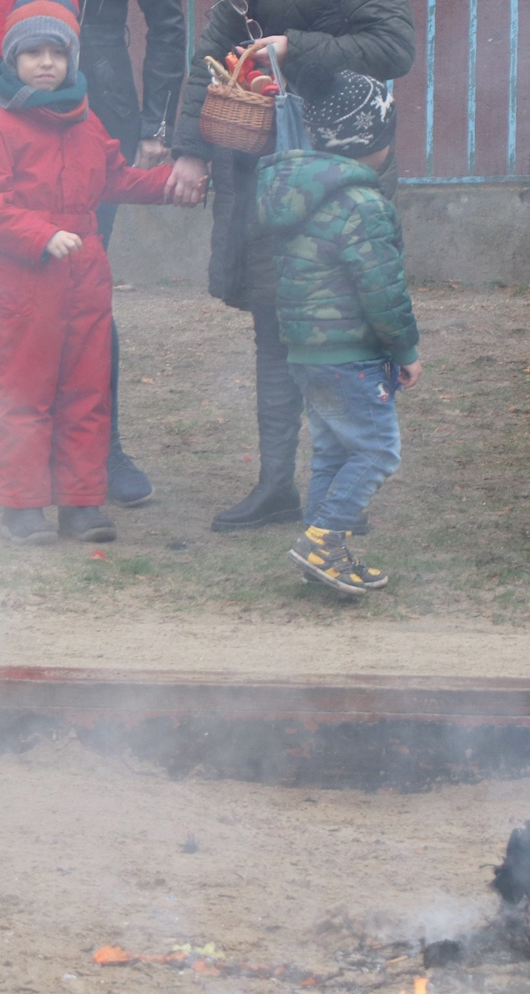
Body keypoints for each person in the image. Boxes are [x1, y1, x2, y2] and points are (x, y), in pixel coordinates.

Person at [166, 0, 415, 532]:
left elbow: (394, 48)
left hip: (351, 154)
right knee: (274, 325)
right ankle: (276, 485)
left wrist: (293, 47)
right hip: (265, 164)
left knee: (348, 329)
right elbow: (210, 57)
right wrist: (190, 148)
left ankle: (345, 496)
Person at [0, 0, 194, 545]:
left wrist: (168, 185)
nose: (46, 63)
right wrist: (40, 235)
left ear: (73, 59)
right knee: (25, 392)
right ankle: (22, 506)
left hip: (86, 278)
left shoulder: (88, 123)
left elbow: (116, 178)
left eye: (57, 53)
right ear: (12, 61)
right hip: (26, 281)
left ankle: (82, 503)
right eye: (33, 53)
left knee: (86, 391)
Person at [256, 68, 420, 594]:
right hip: (351, 354)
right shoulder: (363, 204)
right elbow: (383, 289)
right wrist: (405, 348)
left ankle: (321, 552)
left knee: (332, 451)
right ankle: (323, 541)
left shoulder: (298, 194)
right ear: (373, 140)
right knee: (376, 451)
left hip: (306, 352)